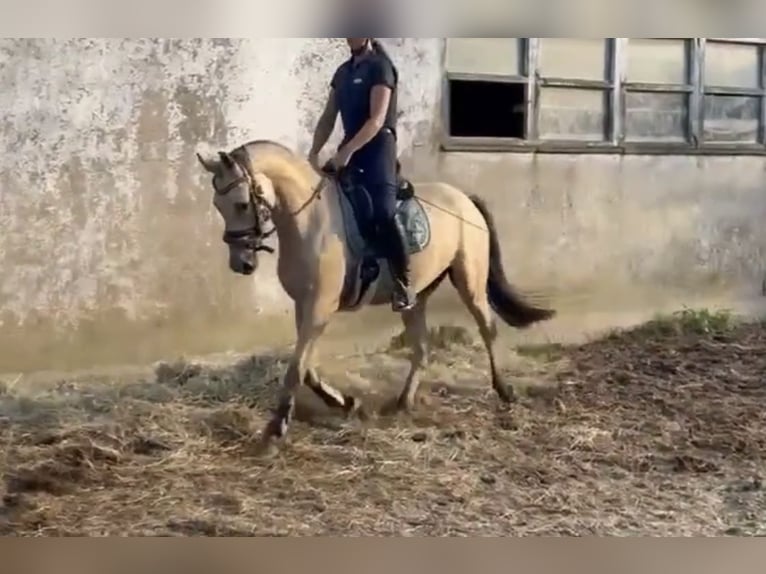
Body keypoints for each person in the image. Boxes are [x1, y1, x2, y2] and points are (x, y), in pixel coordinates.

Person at [308, 38, 416, 313]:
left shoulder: (381, 68)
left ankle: (404, 283)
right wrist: (314, 152)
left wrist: (345, 153)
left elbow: (376, 120)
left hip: (378, 148)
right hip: (350, 148)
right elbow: (328, 117)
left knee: (382, 212)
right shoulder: (343, 72)